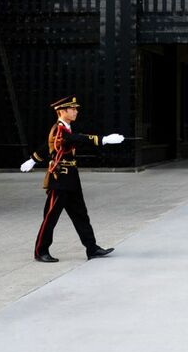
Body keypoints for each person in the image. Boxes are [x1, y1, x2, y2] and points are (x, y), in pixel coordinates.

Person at [19, 95, 125, 263]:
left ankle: (92, 248)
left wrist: (33, 159)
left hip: (71, 179)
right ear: (62, 111)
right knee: (51, 217)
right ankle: (41, 251)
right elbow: (73, 139)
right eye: (72, 109)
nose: (76, 111)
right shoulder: (59, 129)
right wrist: (102, 140)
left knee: (81, 215)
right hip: (59, 179)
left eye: (76, 109)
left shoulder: (66, 128)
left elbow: (48, 146)